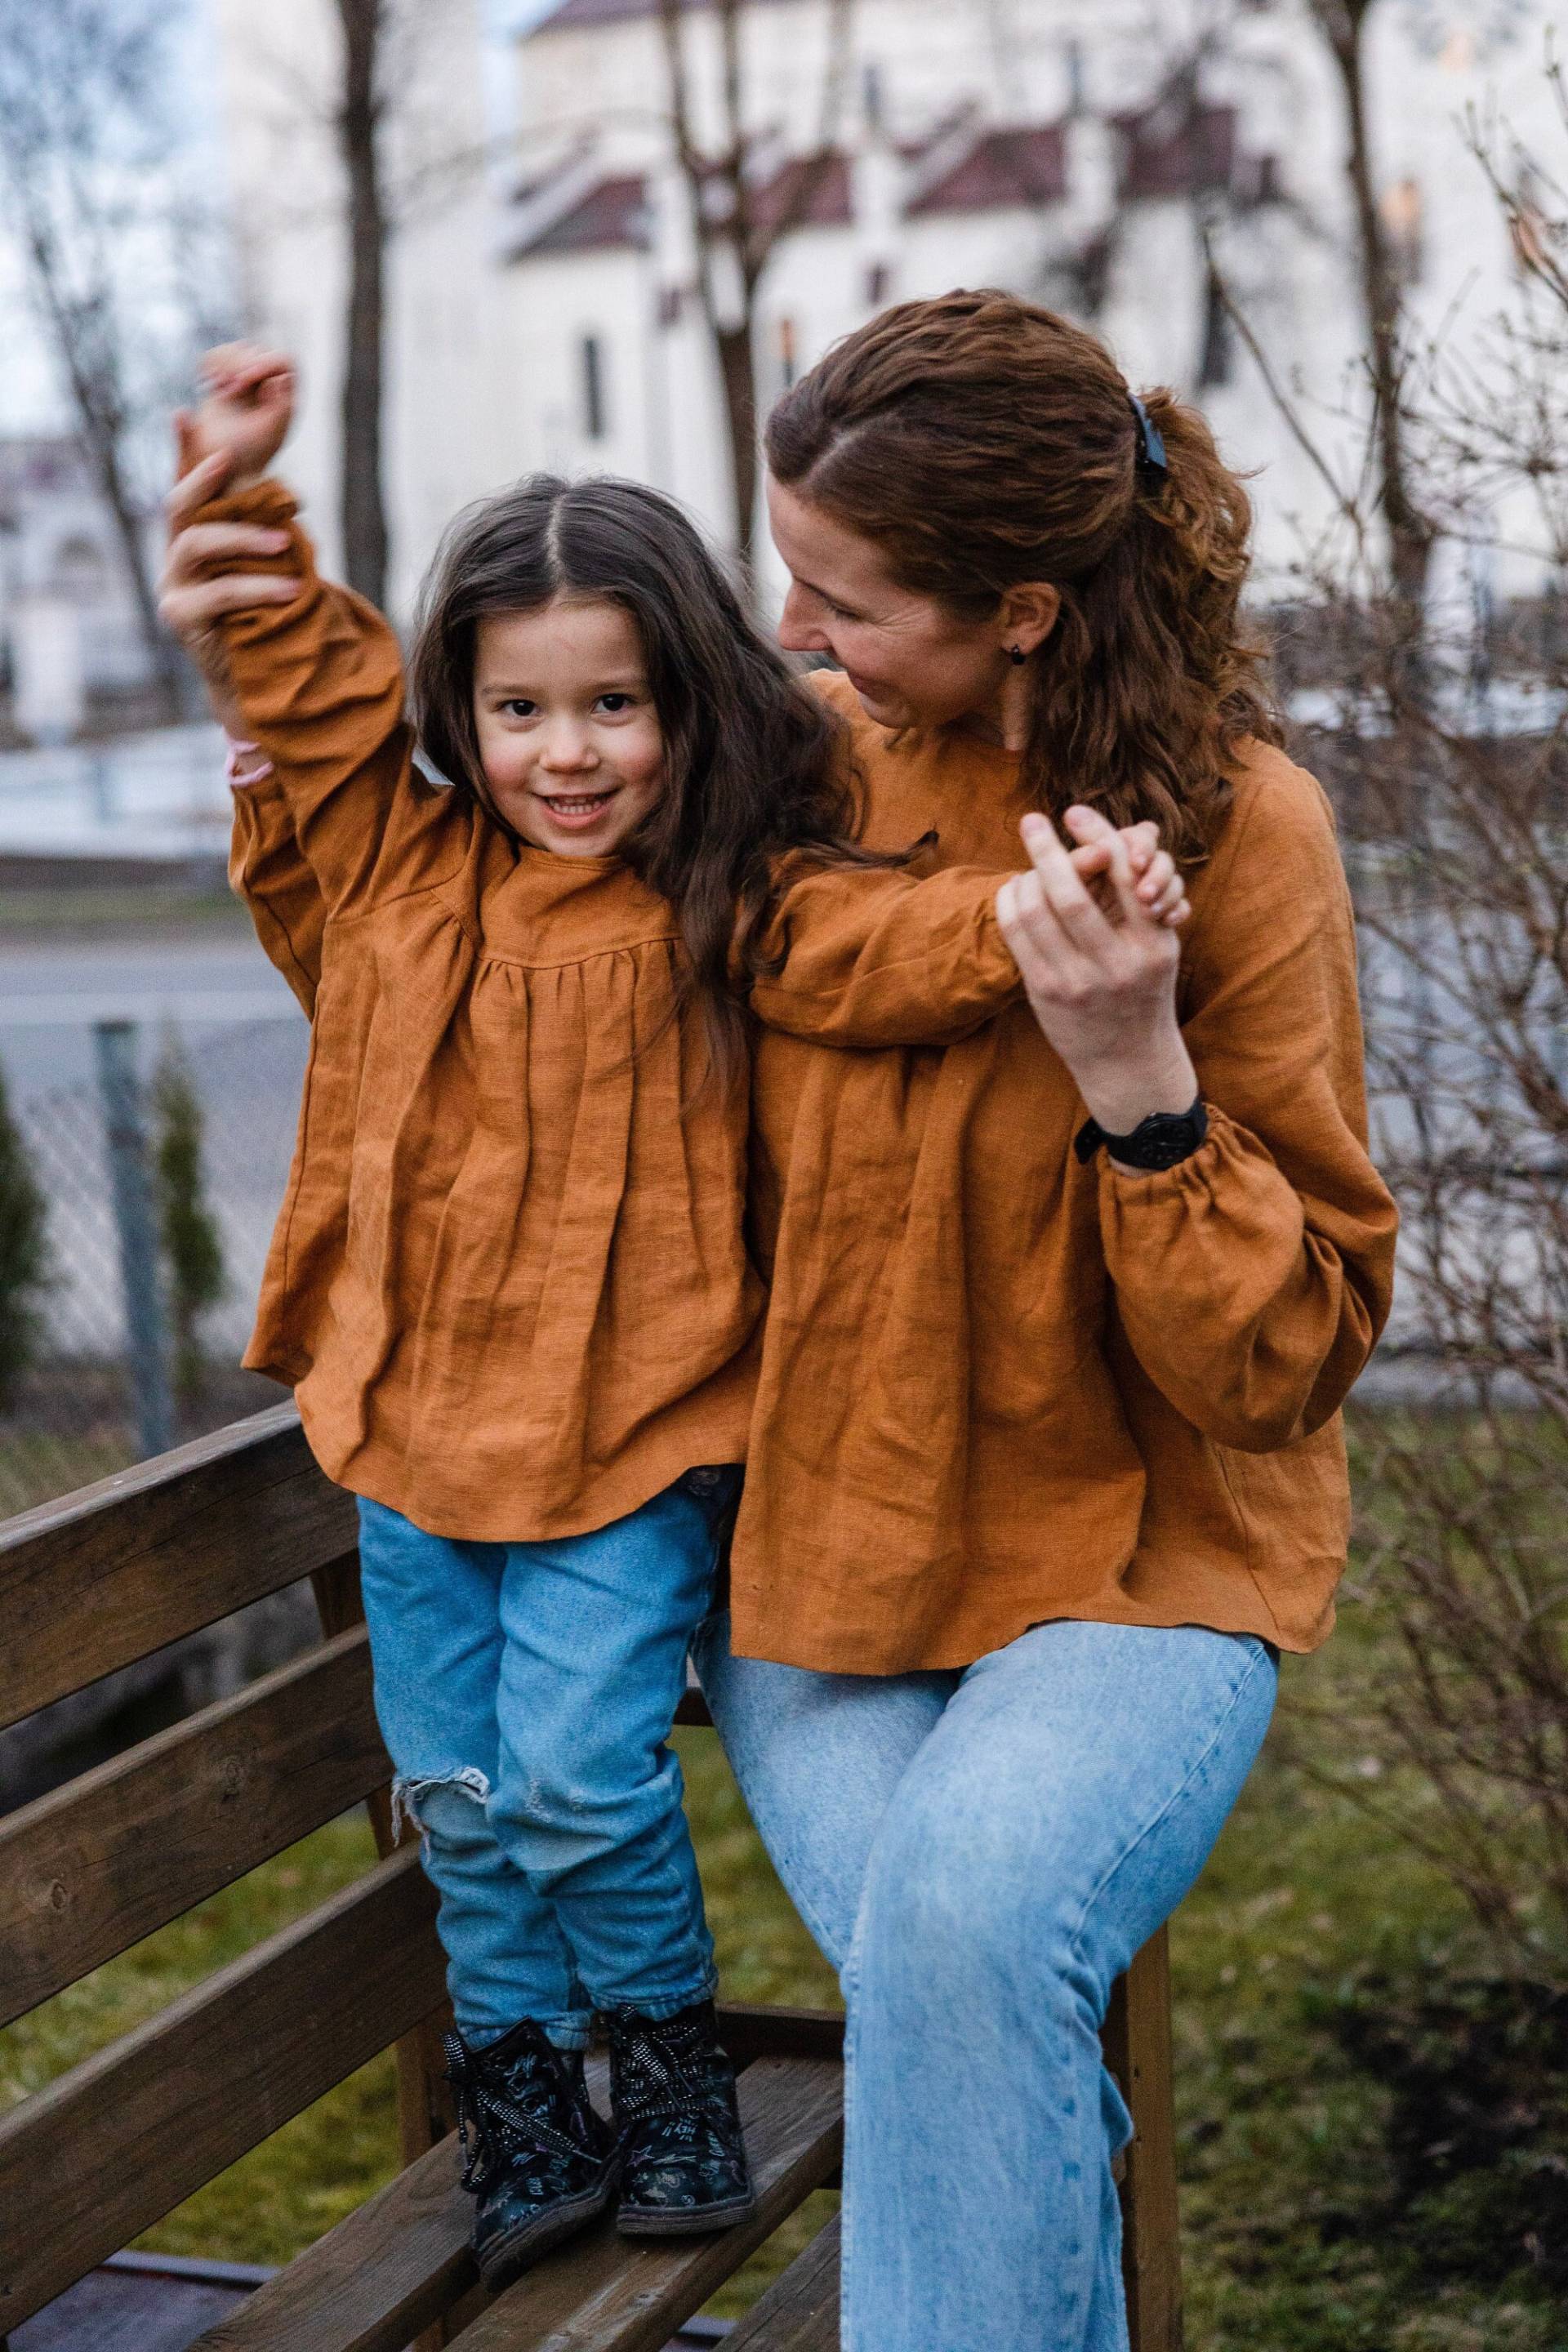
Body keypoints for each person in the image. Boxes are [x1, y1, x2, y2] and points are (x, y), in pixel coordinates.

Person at [158, 340, 1190, 2312]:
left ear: (680, 705)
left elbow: (887, 950)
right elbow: (295, 675)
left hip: (629, 1444)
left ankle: (670, 2062)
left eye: (613, 704)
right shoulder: (395, 863)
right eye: (521, 706)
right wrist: (234, 499)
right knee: (454, 1793)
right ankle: (532, 2093)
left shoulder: (724, 898)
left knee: (572, 1777)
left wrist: (1033, 923)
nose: (567, 751)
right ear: (457, 710)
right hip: (410, 1440)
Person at [672, 291, 1400, 2352]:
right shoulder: (796, 771)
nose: (797, 632)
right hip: (830, 1564)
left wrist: (1138, 1088)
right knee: (979, 2010)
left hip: (1150, 1569)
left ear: (1022, 609)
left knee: (972, 1930)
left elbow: (1286, 1362)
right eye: (786, 576)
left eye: (847, 600)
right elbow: (489, 947)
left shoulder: (1245, 832)